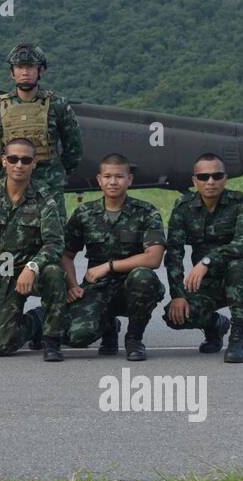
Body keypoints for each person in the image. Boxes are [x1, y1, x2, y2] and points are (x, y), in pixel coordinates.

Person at [0, 138, 67, 361]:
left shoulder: (44, 198)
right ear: (4, 161)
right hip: (1, 273)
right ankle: (37, 321)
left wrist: (32, 266)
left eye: (25, 160)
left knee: (54, 273)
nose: (19, 164)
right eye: (13, 159)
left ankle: (52, 339)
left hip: (32, 272)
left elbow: (54, 243)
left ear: (34, 164)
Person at [61, 153, 166, 361]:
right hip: (97, 288)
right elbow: (65, 255)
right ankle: (108, 325)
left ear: (129, 180)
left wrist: (109, 266)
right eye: (107, 176)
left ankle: (134, 339)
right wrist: (72, 285)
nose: (113, 182)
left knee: (143, 277)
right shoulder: (84, 214)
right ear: (99, 180)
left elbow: (154, 258)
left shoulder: (146, 212)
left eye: (119, 176)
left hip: (131, 287)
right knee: (76, 337)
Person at [161, 153, 243, 363]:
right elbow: (174, 254)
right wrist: (178, 294)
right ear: (194, 180)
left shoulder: (240, 203)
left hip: (237, 279)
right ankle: (215, 326)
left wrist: (207, 261)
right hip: (204, 284)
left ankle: (238, 337)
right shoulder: (183, 208)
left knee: (238, 268)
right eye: (203, 177)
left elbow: (241, 245)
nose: (210, 182)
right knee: (176, 317)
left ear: (225, 178)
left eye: (217, 176)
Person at [0, 43, 82, 220]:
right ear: (12, 72)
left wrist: (54, 173)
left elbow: (74, 148)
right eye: (19, 67)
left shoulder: (57, 104)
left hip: (48, 187)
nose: (24, 72)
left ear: (40, 71)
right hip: (10, 187)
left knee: (54, 238)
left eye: (30, 67)